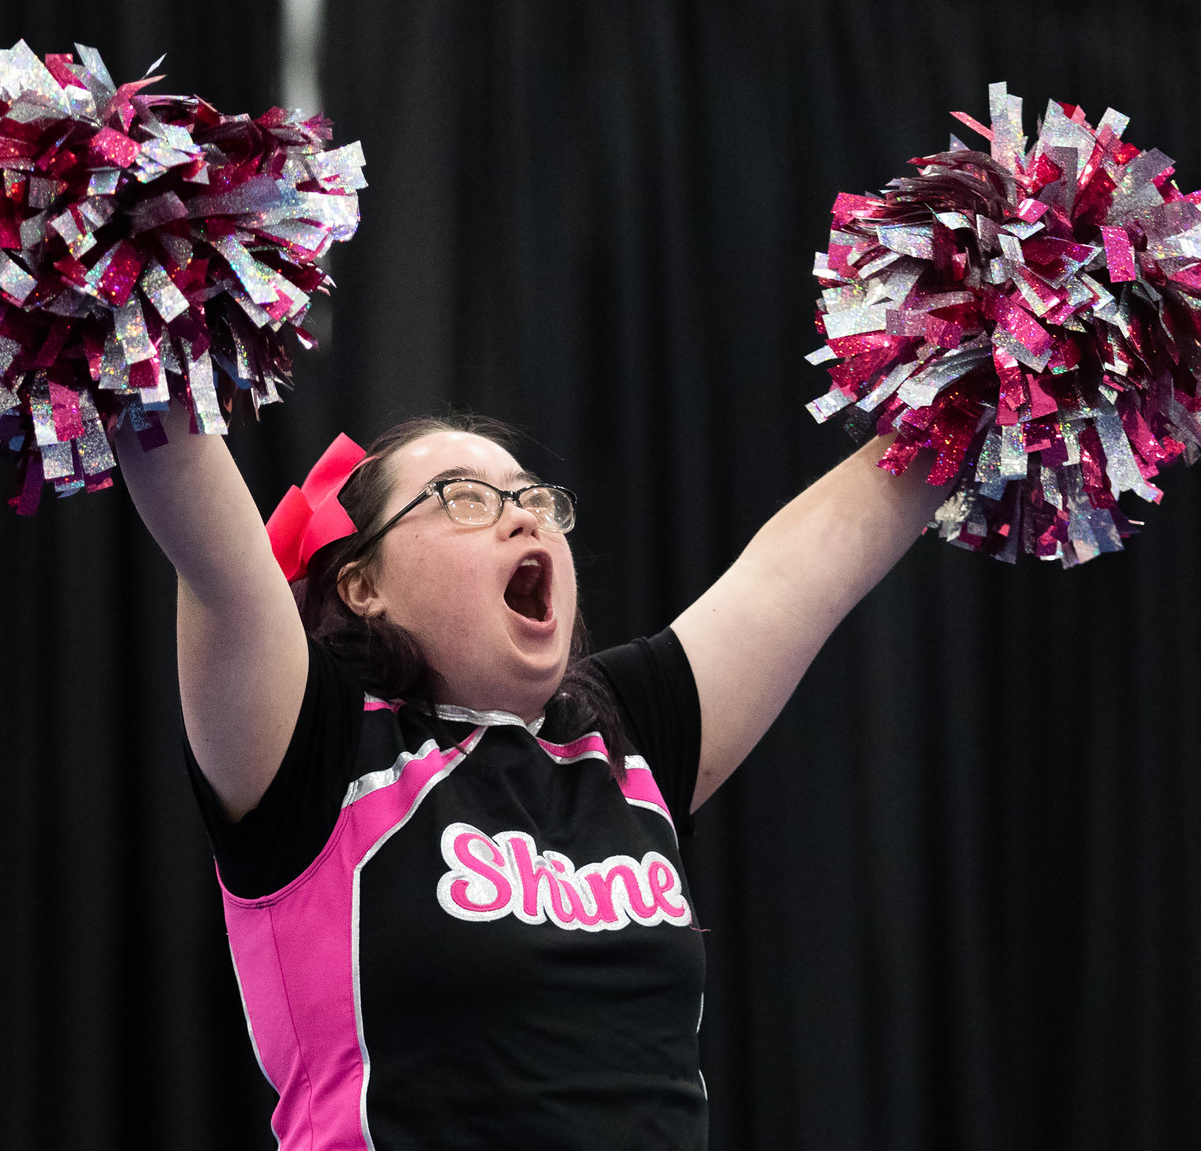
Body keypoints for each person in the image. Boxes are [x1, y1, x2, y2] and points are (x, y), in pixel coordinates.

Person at [116, 402, 949, 1150]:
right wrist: (131, 292)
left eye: (532, 499)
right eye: (465, 498)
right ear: (362, 582)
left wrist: (977, 370)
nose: (522, 519)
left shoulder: (617, 732)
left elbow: (806, 567)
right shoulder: (314, 742)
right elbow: (203, 522)